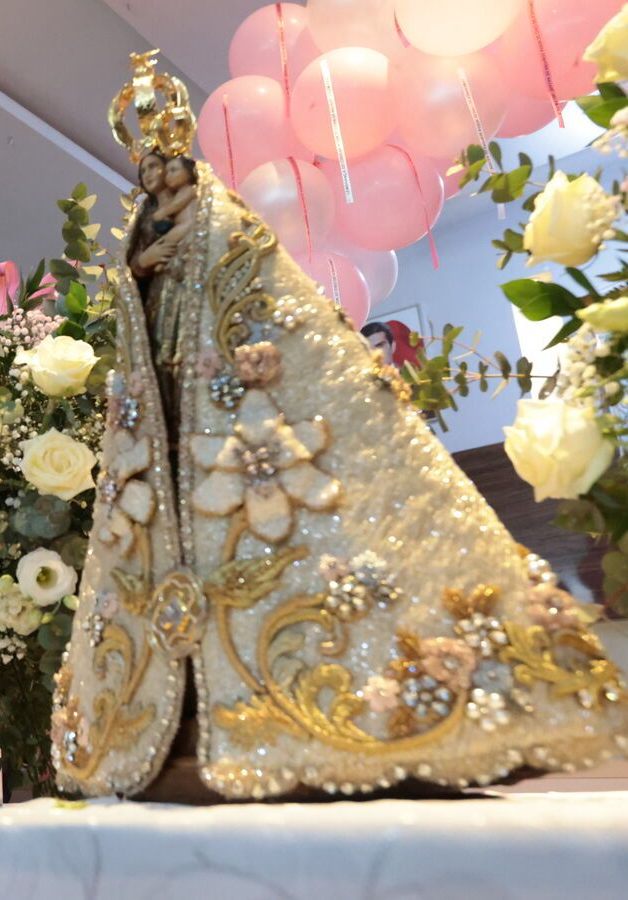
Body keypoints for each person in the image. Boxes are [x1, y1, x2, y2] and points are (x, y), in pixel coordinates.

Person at [53, 55, 626, 803]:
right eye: (151, 175)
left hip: (224, 393)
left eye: (168, 171)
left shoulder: (225, 228)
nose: (158, 184)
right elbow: (140, 277)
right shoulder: (149, 234)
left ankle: (294, 708)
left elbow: (245, 292)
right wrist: (145, 270)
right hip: (167, 388)